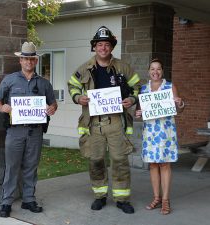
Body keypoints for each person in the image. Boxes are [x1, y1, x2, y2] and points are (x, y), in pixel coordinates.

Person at [67, 26, 142, 214]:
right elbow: (73, 85)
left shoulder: (123, 67)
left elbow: (137, 86)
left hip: (117, 121)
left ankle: (122, 198)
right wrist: (78, 98)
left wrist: (132, 99)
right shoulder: (84, 68)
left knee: (119, 160)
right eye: (99, 44)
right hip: (94, 122)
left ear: (111, 47)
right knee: (96, 160)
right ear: (94, 47)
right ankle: (99, 196)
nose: (103, 48)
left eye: (106, 44)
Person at [0, 42, 58, 218]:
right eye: (25, 59)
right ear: (20, 60)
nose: (28, 62)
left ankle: (29, 199)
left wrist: (52, 108)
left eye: (31, 59)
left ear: (35, 61)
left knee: (31, 166)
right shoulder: (10, 80)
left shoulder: (44, 83)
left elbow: (53, 103)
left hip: (35, 132)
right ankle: (6, 202)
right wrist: (2, 108)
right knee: (12, 166)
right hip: (15, 131)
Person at [135, 58, 184, 215]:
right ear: (148, 71)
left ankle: (165, 200)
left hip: (166, 132)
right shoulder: (143, 89)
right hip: (150, 132)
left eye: (158, 69)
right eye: (152, 69)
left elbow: (179, 110)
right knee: (153, 165)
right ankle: (156, 198)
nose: (155, 72)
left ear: (162, 71)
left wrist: (180, 104)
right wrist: (138, 113)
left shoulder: (170, 87)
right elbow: (139, 113)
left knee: (164, 165)